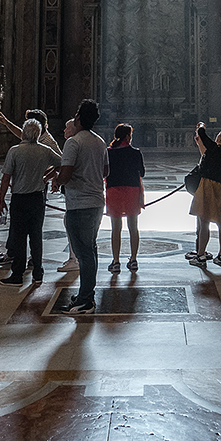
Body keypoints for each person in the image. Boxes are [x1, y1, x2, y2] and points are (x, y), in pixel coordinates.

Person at [52, 100, 108, 314]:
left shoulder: (73, 143)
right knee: (90, 250)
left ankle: (86, 299)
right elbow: (105, 172)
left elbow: (66, 175)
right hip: (96, 202)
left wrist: (58, 179)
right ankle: (87, 293)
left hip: (79, 204)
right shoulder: (100, 141)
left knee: (83, 254)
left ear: (77, 117)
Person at [0, 119, 57, 285]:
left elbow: (6, 177)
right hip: (37, 198)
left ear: (23, 133)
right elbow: (62, 163)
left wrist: (1, 198)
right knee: (36, 236)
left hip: (20, 198)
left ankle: (18, 274)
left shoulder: (15, 151)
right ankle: (38, 273)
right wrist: (47, 177)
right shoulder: (45, 150)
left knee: (19, 237)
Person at [189, 123, 221, 264]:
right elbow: (208, 157)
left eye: (219, 134)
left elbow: (203, 134)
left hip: (206, 185)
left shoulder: (217, 148)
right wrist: (200, 145)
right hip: (218, 186)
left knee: (204, 221)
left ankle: (201, 255)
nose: (217, 136)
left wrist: (201, 127)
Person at [106, 123, 146, 272]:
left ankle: (116, 261)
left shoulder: (109, 152)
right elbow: (142, 173)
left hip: (114, 190)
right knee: (133, 227)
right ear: (128, 136)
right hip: (132, 191)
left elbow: (105, 172)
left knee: (115, 228)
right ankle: (133, 259)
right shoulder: (135, 152)